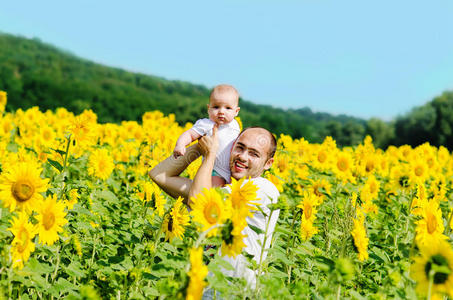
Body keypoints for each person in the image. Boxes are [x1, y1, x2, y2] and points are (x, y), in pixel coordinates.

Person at [149, 125, 280, 289]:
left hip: (237, 293)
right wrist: (201, 146)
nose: (243, 157)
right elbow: (159, 174)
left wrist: (210, 155)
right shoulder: (218, 191)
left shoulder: (264, 189)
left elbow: (198, 200)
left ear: (268, 163)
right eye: (239, 147)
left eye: (254, 153)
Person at [173, 84, 241, 187]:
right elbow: (190, 134)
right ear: (208, 109)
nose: (221, 112)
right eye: (216, 107)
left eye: (228, 108)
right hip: (214, 170)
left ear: (236, 111)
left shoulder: (235, 125)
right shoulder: (206, 124)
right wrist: (180, 145)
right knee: (214, 191)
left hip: (232, 171)